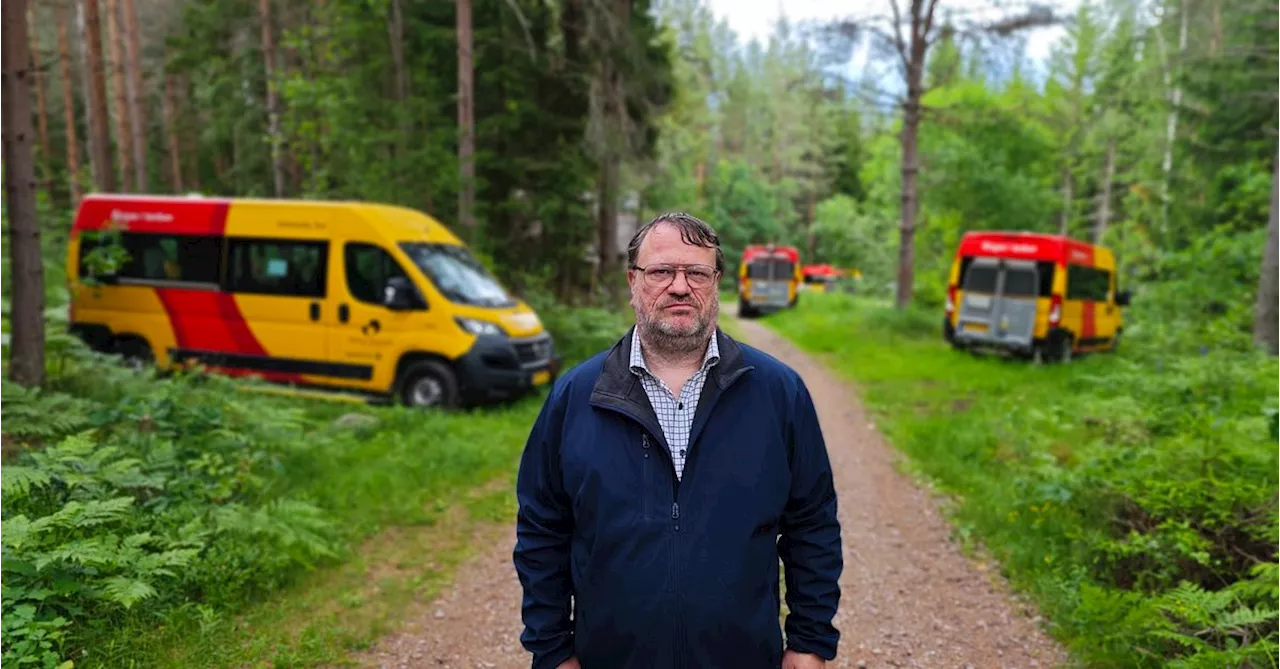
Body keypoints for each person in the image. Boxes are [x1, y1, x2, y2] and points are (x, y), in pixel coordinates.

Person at [512, 212, 843, 669]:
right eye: (662, 271)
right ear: (633, 281)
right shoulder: (576, 396)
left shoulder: (778, 392)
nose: (680, 286)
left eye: (697, 273)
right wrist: (551, 650)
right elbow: (542, 529)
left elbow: (813, 523)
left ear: (717, 283)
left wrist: (809, 642)